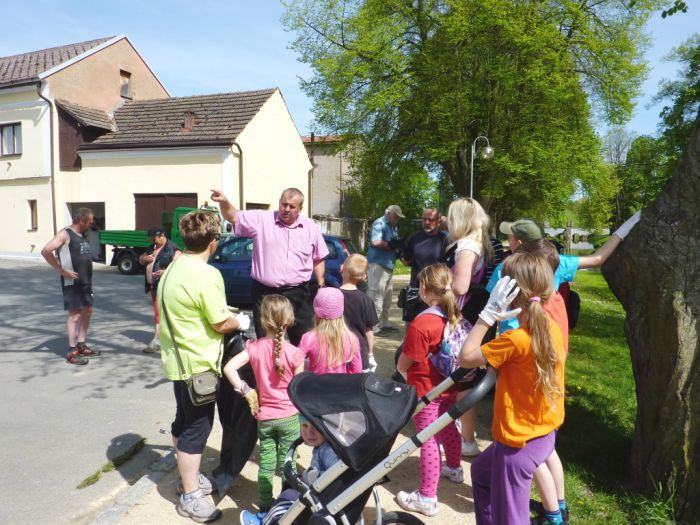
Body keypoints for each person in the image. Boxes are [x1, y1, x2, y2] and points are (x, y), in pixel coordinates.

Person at [459, 252, 566, 525]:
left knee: (513, 519)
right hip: (542, 435)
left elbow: (466, 356)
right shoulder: (549, 328)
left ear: (509, 292)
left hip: (516, 445)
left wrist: (487, 317)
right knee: (482, 475)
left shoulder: (514, 340)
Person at [158, 210, 250, 523]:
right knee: (197, 429)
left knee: (183, 421)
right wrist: (241, 320)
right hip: (198, 364)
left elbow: (192, 308)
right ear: (213, 242)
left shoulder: (174, 267)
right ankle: (191, 496)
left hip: (177, 360)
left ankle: (188, 476)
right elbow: (220, 321)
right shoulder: (206, 274)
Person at [223, 295, 305, 525]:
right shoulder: (295, 353)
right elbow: (299, 390)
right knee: (288, 464)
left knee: (266, 466)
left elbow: (229, 368)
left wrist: (246, 390)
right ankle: (289, 508)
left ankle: (264, 511)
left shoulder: (254, 348)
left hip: (265, 418)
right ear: (289, 321)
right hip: (290, 418)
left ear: (262, 320)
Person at [210, 188, 328, 345]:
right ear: (279, 203)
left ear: (300, 208)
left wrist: (320, 284)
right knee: (266, 342)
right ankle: (267, 369)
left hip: (298, 293)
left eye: (292, 206)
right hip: (265, 292)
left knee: (304, 340)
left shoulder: (310, 227)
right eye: (283, 204)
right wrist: (224, 203)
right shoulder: (262, 219)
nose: (286, 209)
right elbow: (234, 217)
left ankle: (301, 370)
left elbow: (318, 257)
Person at [489, 212, 642, 333]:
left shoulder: (504, 268)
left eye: (509, 238)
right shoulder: (558, 262)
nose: (508, 241)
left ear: (519, 243)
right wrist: (624, 229)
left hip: (512, 339)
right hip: (547, 337)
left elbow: (490, 305)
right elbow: (597, 259)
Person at [395, 263, 464, 517]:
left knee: (426, 439)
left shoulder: (422, 324)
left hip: (426, 389)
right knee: (447, 426)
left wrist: (401, 371)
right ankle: (455, 468)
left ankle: (426, 496)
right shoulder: (455, 315)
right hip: (449, 386)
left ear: (424, 289)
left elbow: (407, 360)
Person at [444, 197, 494, 458]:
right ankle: (465, 438)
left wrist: (438, 284)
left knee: (459, 379)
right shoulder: (479, 243)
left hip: (458, 318)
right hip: (468, 317)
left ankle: (462, 438)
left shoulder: (466, 246)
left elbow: (460, 286)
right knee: (465, 379)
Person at [41, 207, 99, 365]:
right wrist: (61, 270)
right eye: (90, 222)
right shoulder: (65, 234)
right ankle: (72, 351)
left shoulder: (82, 234)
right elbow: (46, 251)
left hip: (86, 282)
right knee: (75, 315)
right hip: (72, 282)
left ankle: (81, 345)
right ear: (82, 220)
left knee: (87, 310)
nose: (91, 224)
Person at [260, 415, 341, 525]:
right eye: (304, 425)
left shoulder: (329, 451)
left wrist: (306, 475)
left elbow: (334, 477)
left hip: (322, 497)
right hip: (318, 493)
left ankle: (269, 521)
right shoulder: (323, 445)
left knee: (288, 495)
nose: (309, 432)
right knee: (289, 487)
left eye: (316, 427)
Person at [298, 287, 362, 374]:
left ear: (316, 311)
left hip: (314, 385)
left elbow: (296, 363)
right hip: (341, 386)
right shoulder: (351, 338)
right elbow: (357, 371)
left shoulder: (308, 338)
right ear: (341, 311)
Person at [400, 208, 447, 322]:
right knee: (412, 321)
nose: (426, 222)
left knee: (436, 321)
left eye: (430, 219)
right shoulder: (415, 239)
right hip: (417, 290)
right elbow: (406, 261)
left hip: (438, 290)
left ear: (438, 221)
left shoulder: (446, 240)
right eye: (424, 219)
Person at [139, 226, 181, 353]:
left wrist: (166, 272)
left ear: (162, 235)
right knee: (159, 314)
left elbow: (180, 267)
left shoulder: (173, 248)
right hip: (154, 287)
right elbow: (141, 259)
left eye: (155, 238)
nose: (153, 241)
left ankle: (158, 341)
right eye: (151, 239)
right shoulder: (152, 247)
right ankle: (166, 339)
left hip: (166, 287)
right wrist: (143, 259)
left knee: (161, 314)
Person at [366, 205, 404, 335]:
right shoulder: (380, 223)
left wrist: (398, 249)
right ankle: (374, 326)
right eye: (396, 216)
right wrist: (390, 245)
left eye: (399, 217)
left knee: (387, 296)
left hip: (388, 264)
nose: (398, 219)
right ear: (388, 213)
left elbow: (393, 245)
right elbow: (375, 242)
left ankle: (384, 323)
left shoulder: (393, 226)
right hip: (378, 264)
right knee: (377, 295)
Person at [339, 254, 379, 372]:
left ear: (342, 269)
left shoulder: (333, 297)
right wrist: (370, 354)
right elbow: (369, 331)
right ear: (363, 277)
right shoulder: (366, 300)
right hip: (359, 352)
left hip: (336, 349)